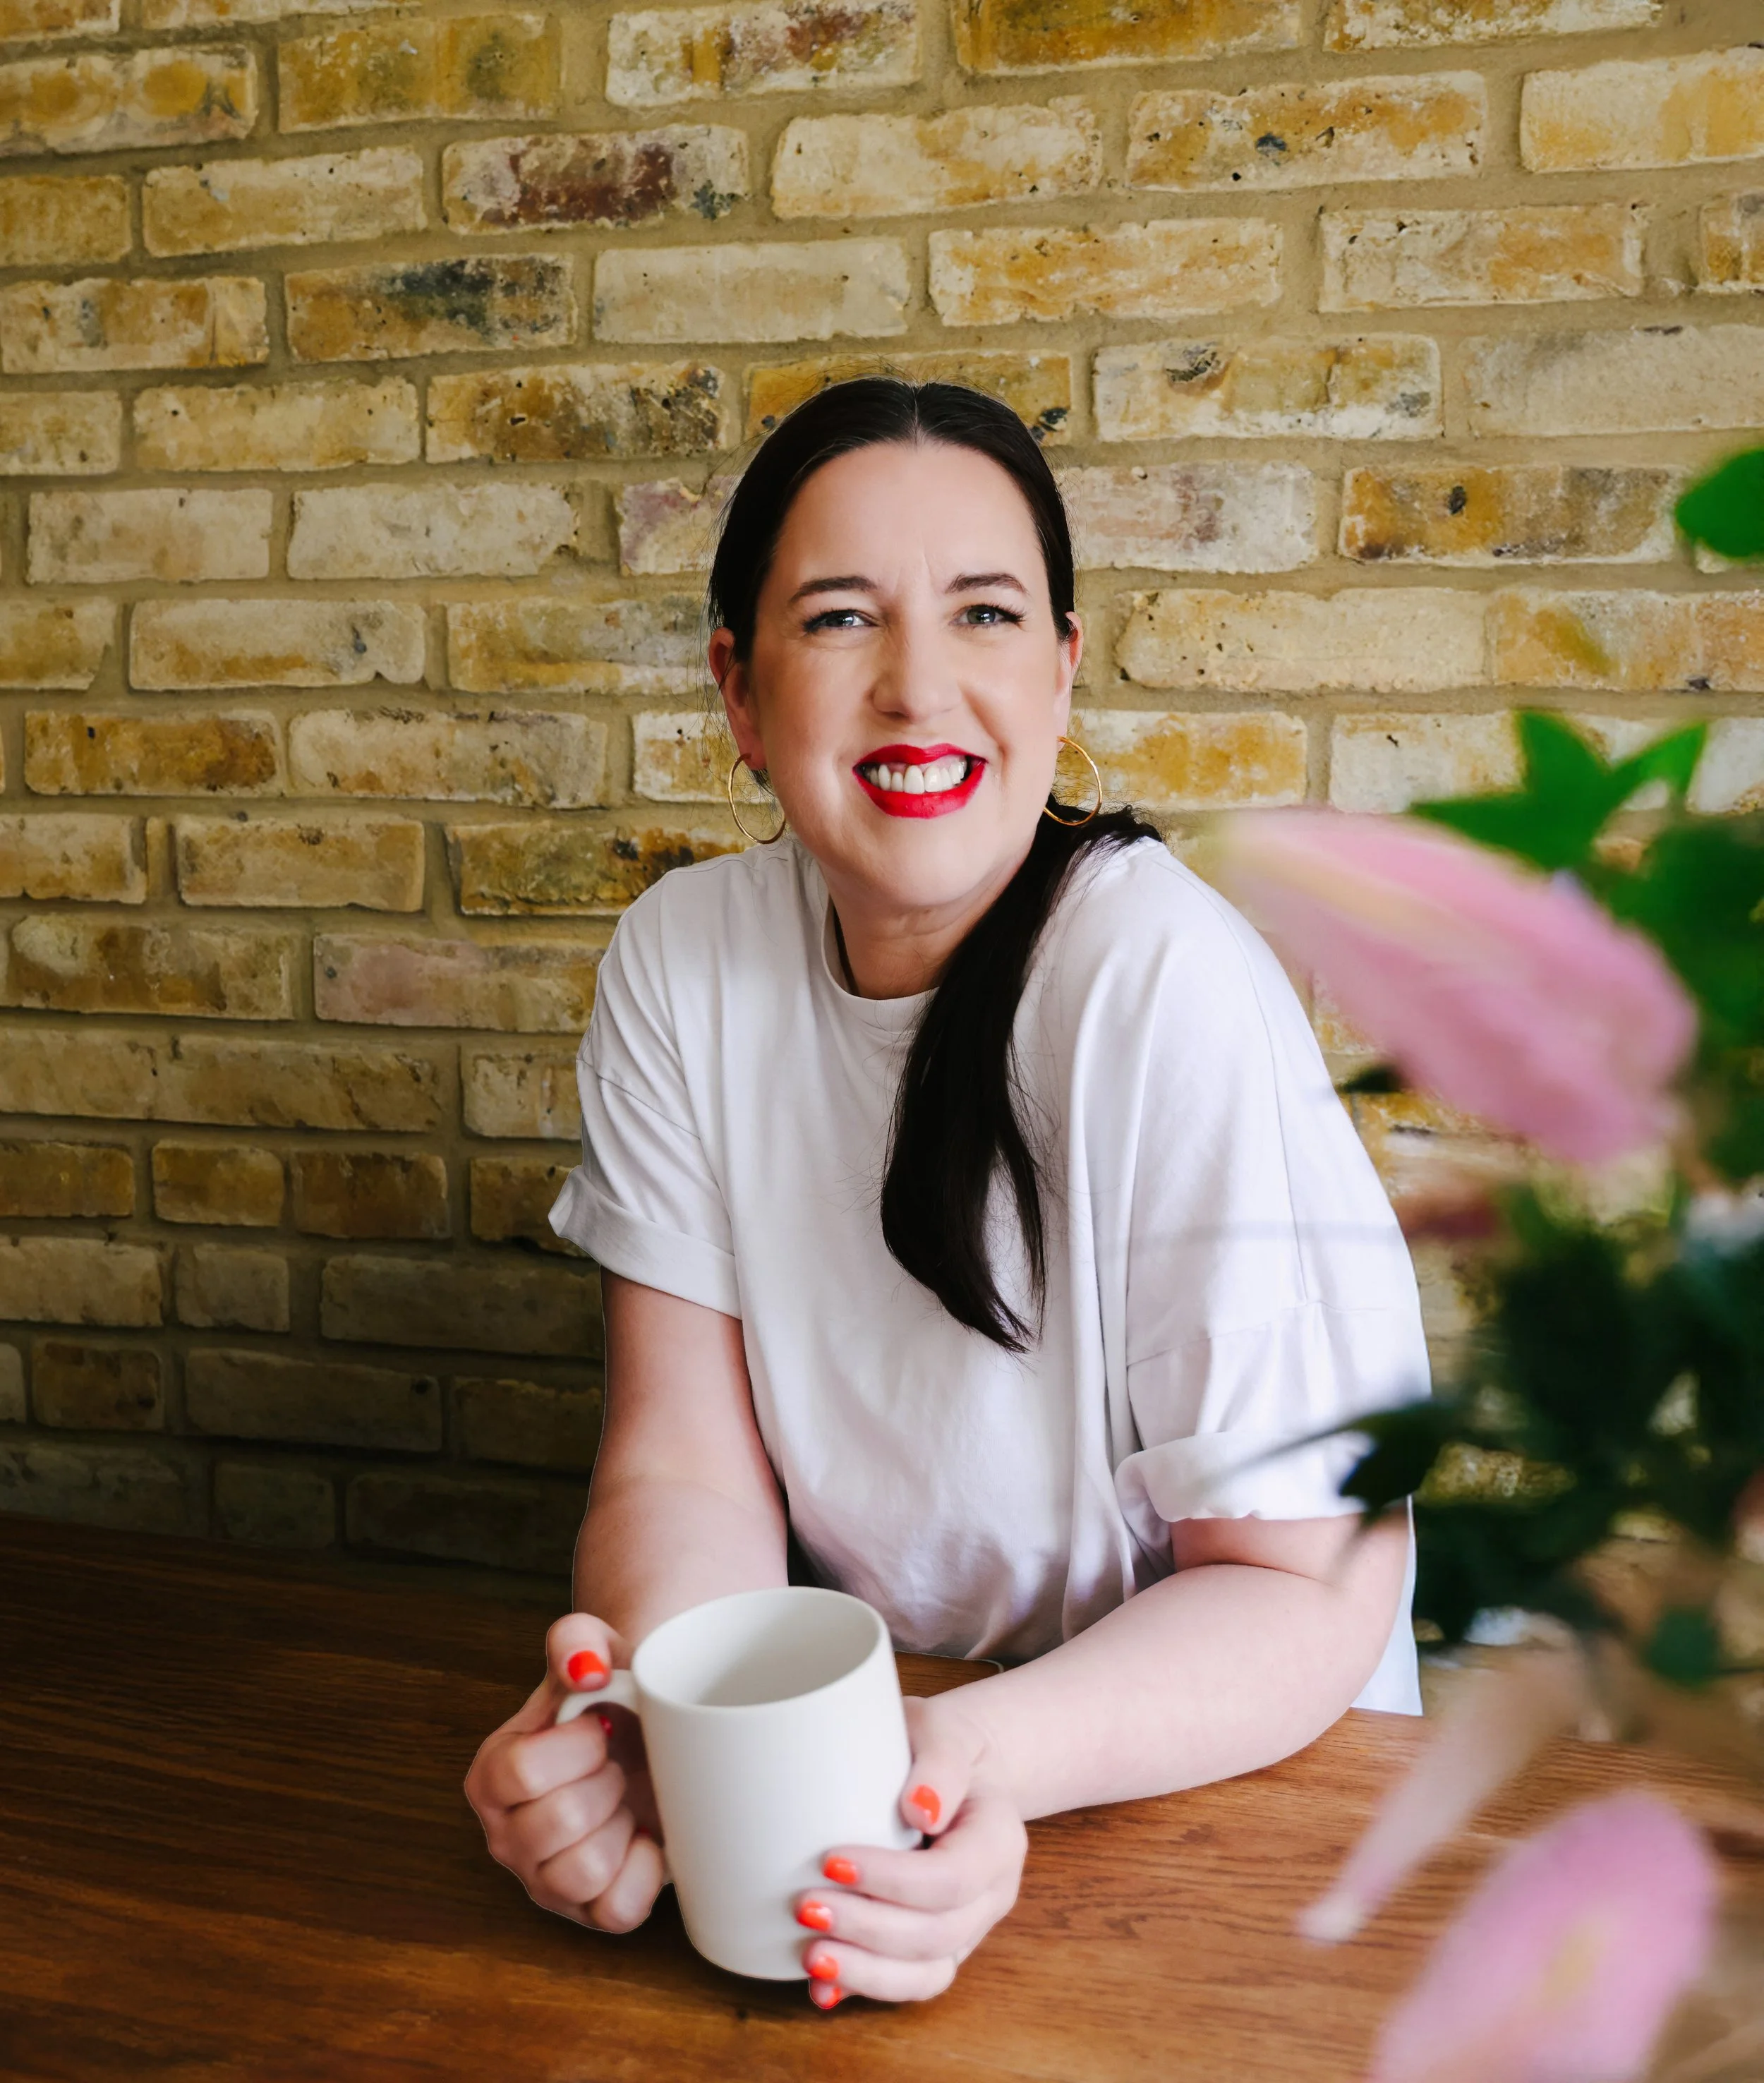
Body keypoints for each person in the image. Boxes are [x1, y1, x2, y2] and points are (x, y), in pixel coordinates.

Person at [464, 379, 1428, 2010]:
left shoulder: (1156, 979)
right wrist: (667, 1728)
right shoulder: (682, 962)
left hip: (1223, 1814)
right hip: (901, 1770)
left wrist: (952, 1761)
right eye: (838, 618)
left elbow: (1304, 1588)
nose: (917, 687)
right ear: (738, 691)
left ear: (1058, 665)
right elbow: (681, 1471)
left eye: (983, 613)